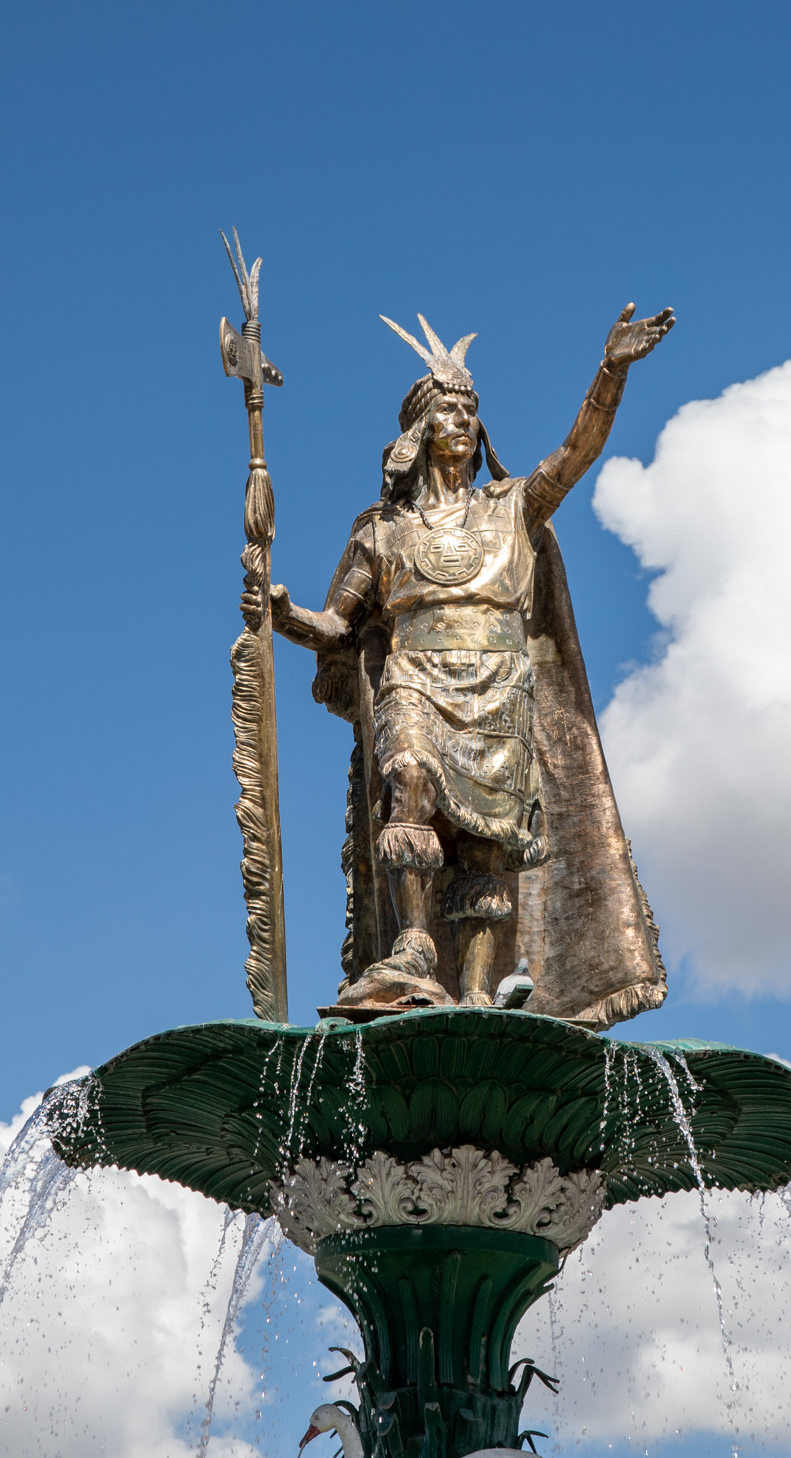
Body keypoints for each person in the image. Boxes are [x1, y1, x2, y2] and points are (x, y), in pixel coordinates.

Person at [243, 304, 674, 1023]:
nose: (464, 421)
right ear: (417, 431)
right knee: (407, 776)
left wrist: (611, 373)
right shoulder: (382, 532)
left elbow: (576, 455)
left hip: (499, 685)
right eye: (448, 410)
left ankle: (475, 993)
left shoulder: (513, 509)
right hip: (414, 678)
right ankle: (412, 949)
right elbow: (336, 626)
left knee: (484, 847)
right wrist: (283, 612)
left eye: (471, 411)